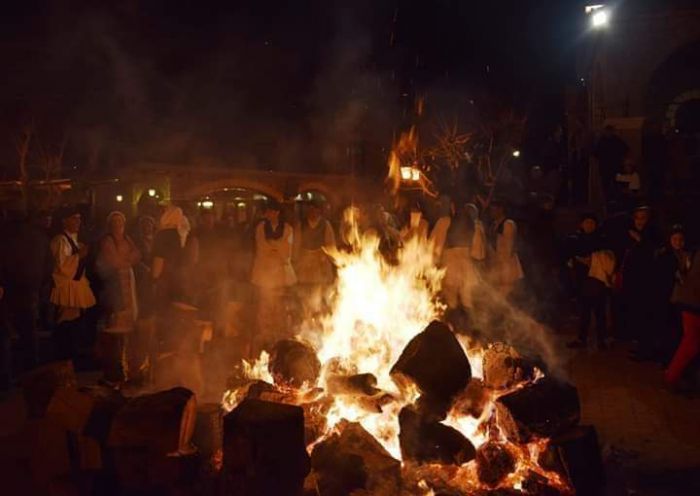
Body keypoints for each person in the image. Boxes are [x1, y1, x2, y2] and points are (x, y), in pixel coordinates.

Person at [0, 207, 51, 372]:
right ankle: (30, 372)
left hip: (6, 290)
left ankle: (5, 376)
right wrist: (40, 284)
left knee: (4, 332)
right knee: (28, 331)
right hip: (30, 289)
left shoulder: (4, 235)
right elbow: (49, 264)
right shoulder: (38, 236)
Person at [49, 207, 96, 361]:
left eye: (79, 218)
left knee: (75, 322)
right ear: (65, 220)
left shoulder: (73, 239)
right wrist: (79, 255)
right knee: (65, 322)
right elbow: (61, 267)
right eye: (74, 218)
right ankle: (63, 357)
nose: (78, 221)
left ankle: (72, 356)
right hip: (66, 286)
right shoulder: (60, 240)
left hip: (76, 285)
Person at [251, 200, 296, 353]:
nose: (268, 214)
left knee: (280, 306)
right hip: (265, 272)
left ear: (277, 212)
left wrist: (274, 248)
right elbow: (261, 248)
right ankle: (265, 336)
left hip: (281, 273)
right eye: (267, 211)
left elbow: (286, 250)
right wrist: (275, 249)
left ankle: (279, 336)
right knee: (265, 304)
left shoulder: (288, 228)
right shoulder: (260, 228)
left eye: (271, 211)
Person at [431, 201, 485, 318]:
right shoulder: (475, 226)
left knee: (452, 300)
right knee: (467, 299)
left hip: (450, 263)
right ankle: (473, 328)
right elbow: (478, 254)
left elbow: (435, 246)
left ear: (452, 207)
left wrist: (435, 262)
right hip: (465, 265)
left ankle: (455, 327)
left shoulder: (444, 222)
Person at [96, 211, 141, 331]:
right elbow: (112, 259)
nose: (117, 224)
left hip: (127, 277)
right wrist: (125, 260)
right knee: (116, 307)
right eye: (114, 221)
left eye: (120, 221)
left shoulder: (127, 238)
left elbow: (136, 254)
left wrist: (127, 260)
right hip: (114, 280)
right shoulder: (107, 240)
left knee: (129, 305)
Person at [653, 225, 690, 363]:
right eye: (675, 239)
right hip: (667, 297)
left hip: (682, 298)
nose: (678, 242)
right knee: (668, 328)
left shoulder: (687, 256)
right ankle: (666, 357)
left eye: (680, 239)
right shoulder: (665, 255)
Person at [666, 248, 700, 390]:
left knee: (691, 343)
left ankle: (674, 376)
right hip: (693, 303)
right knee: (691, 343)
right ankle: (672, 377)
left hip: (690, 302)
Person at [294, 201, 336, 314]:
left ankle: (320, 317)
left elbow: (330, 244)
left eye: (314, 209)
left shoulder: (325, 225)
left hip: (320, 262)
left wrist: (330, 259)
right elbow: (296, 244)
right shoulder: (301, 225)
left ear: (319, 211)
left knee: (320, 291)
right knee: (304, 292)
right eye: (310, 209)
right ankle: (306, 316)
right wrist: (295, 261)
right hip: (304, 261)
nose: (312, 212)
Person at [152, 205, 195, 306]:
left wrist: (155, 278)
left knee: (165, 308)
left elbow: (159, 258)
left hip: (166, 278)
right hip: (181, 278)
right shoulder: (184, 234)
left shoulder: (163, 235)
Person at [487, 200, 524, 297]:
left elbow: (508, 248)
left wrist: (501, 265)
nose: (492, 212)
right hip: (498, 267)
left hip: (507, 267)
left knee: (506, 295)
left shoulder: (508, 224)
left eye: (494, 209)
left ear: (501, 209)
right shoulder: (493, 225)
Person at [594, 125, 629, 201]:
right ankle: (611, 201)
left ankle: (615, 200)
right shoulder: (607, 140)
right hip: (609, 167)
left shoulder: (606, 141)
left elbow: (595, 153)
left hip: (611, 167)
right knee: (608, 185)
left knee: (614, 185)